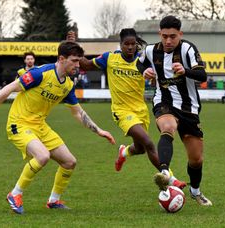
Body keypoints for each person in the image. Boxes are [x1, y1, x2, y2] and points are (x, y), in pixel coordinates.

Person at [0, 41, 116, 214]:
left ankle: (54, 201)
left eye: (79, 61)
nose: (78, 65)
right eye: (75, 61)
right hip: (19, 123)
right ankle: (15, 194)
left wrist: (99, 130)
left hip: (40, 126)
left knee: (69, 162)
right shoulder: (40, 73)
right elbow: (9, 88)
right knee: (42, 156)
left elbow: (78, 113)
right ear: (62, 59)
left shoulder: (68, 84)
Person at [79, 28, 186, 189]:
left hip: (141, 110)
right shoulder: (110, 58)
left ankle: (124, 152)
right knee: (149, 143)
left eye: (133, 44)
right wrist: (74, 47)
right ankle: (171, 179)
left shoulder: (143, 61)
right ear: (120, 45)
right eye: (126, 44)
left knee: (141, 148)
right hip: (122, 111)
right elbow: (86, 65)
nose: (130, 47)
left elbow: (158, 77)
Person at [137, 15, 212, 206]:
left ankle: (195, 191)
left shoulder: (187, 48)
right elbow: (140, 62)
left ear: (180, 34)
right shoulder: (150, 50)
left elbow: (202, 74)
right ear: (159, 34)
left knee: (196, 159)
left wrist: (185, 70)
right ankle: (164, 173)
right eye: (164, 36)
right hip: (164, 100)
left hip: (189, 107)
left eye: (172, 36)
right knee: (167, 126)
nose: (168, 40)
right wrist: (144, 71)